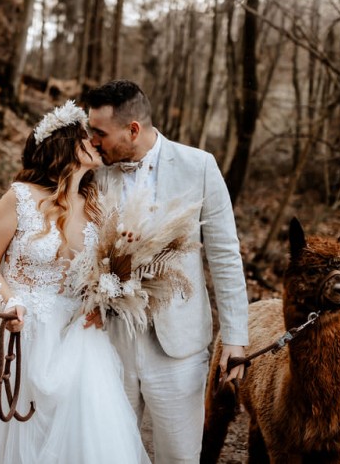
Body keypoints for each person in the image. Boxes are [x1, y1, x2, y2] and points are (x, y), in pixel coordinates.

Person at [0, 100, 150, 464]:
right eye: (86, 138)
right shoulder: (19, 198)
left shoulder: (98, 205)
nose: (95, 143)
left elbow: (107, 272)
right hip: (23, 327)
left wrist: (120, 263)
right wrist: (7, 301)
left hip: (79, 338)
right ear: (65, 146)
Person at [83, 79, 249, 464]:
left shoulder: (200, 166)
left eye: (100, 133)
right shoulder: (93, 171)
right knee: (108, 453)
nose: (93, 141)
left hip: (179, 349)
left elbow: (225, 254)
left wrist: (236, 338)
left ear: (133, 130)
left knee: (180, 457)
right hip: (108, 341)